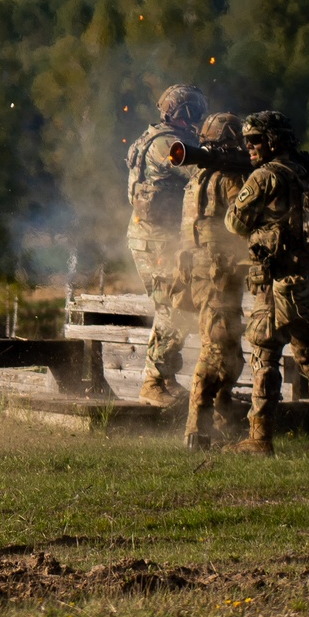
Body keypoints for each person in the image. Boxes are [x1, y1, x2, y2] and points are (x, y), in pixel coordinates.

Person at [223, 111, 309, 455]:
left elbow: (235, 223)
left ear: (274, 140)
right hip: (307, 281)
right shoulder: (308, 176)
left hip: (274, 285)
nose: (249, 146)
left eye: (256, 139)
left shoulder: (264, 177)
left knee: (264, 356)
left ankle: (260, 438)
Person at [126, 83, 208, 407]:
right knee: (174, 307)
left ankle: (165, 378)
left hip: (157, 236)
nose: (199, 120)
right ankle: (153, 381)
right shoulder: (168, 144)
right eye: (195, 114)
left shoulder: (154, 136)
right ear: (184, 113)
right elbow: (197, 173)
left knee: (180, 305)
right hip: (155, 239)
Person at [178, 113, 250, 450]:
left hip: (207, 272)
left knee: (230, 349)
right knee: (217, 346)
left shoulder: (197, 179)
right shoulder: (225, 179)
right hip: (218, 274)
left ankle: (222, 419)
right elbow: (243, 221)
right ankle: (198, 426)